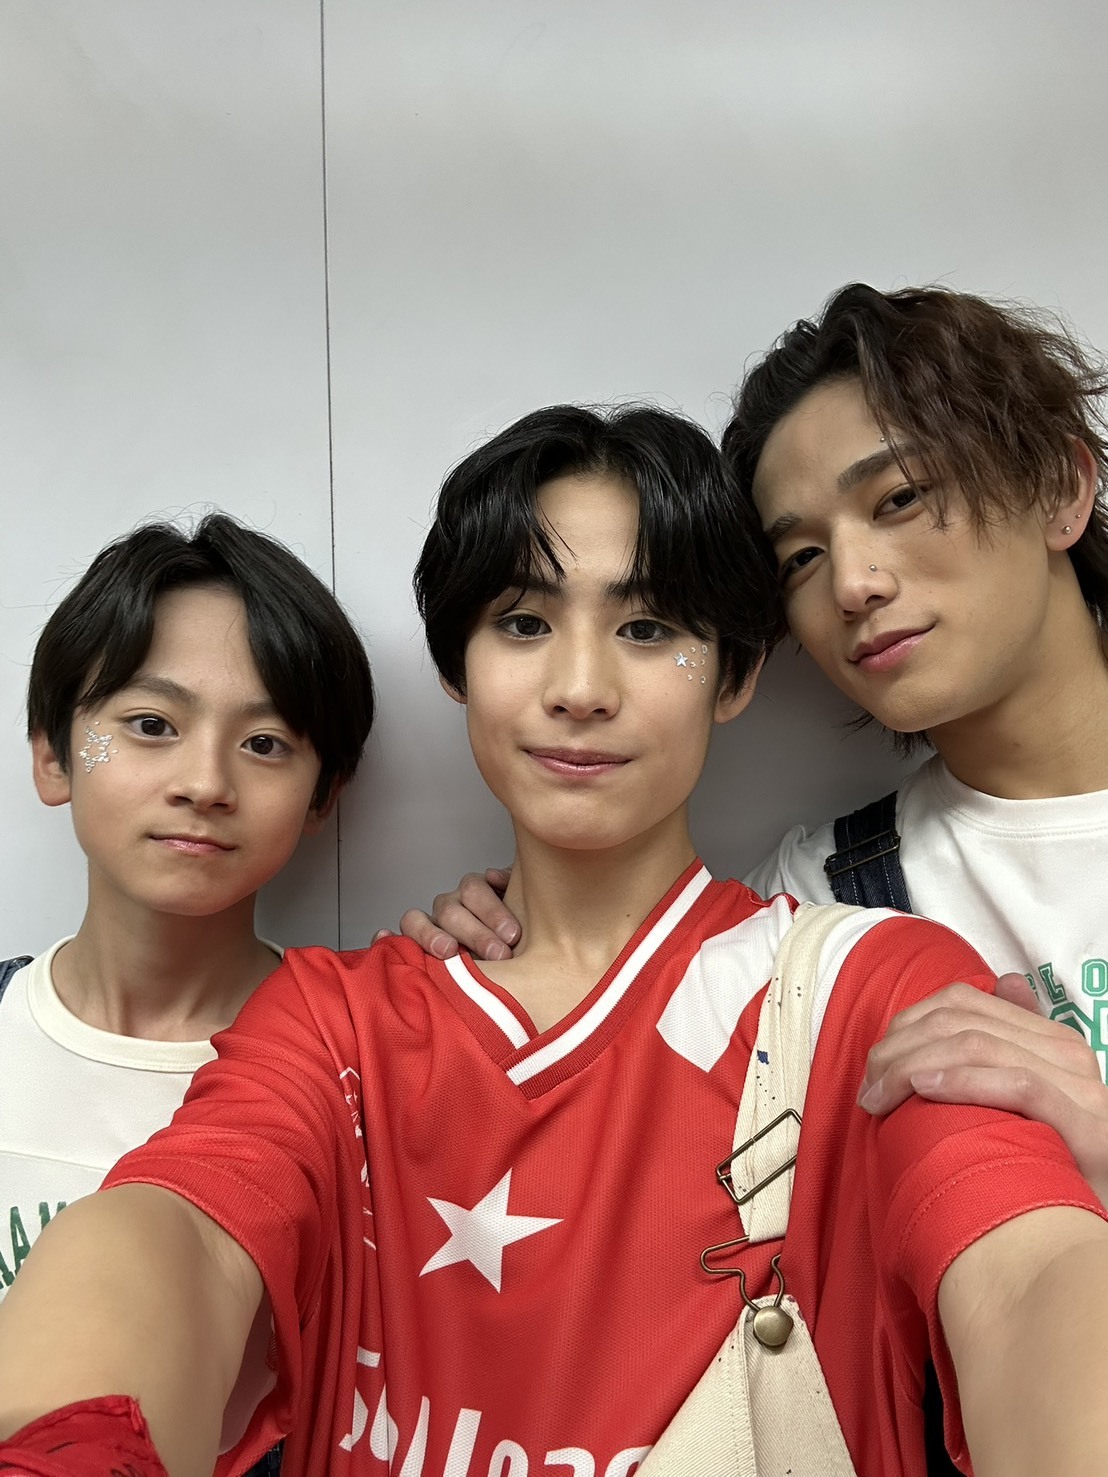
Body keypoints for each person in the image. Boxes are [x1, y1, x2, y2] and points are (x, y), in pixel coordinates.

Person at [1, 405, 1106, 1477]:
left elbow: (1026, 1274)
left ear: (734, 675)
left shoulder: (876, 987)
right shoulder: (335, 1020)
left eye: (648, 629)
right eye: (524, 624)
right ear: (457, 665)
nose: (580, 689)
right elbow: (184, 1231)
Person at [408, 285, 1108, 1210]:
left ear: (1059, 487)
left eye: (899, 497)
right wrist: (512, 936)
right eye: (801, 557)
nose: (853, 583)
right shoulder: (822, 902)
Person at [0, 514, 375, 1472]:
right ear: (51, 753)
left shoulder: (365, 1066)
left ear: (323, 794)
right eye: (153, 725)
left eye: (266, 743)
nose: (205, 782)